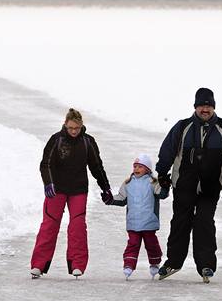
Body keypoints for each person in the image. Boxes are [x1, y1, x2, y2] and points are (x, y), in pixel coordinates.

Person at [155, 87, 222, 283]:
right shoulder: (182, 127)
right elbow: (167, 150)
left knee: (204, 223)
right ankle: (173, 262)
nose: (205, 109)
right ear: (195, 107)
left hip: (210, 187)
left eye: (208, 106)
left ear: (214, 107)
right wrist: (162, 172)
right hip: (184, 183)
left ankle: (206, 265)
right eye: (201, 105)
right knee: (180, 223)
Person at [30, 108, 113, 279]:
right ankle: (38, 264)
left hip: (78, 189)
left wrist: (105, 186)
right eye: (70, 128)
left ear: (81, 126)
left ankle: (77, 264)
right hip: (57, 189)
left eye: (76, 128)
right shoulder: (56, 139)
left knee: (77, 226)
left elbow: (96, 166)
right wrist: (49, 183)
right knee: (50, 225)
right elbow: (45, 164)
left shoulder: (88, 142)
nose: (73, 131)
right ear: (65, 125)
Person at [106, 153, 169, 280]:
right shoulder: (128, 183)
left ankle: (155, 262)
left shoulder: (153, 182)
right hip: (133, 222)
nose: (136, 169)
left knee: (151, 244)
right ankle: (128, 265)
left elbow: (161, 195)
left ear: (147, 169)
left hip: (149, 221)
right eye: (135, 166)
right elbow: (122, 199)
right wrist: (109, 199)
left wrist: (165, 187)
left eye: (140, 166)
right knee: (133, 243)